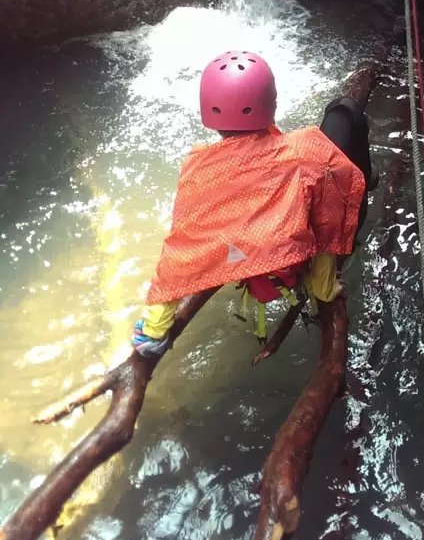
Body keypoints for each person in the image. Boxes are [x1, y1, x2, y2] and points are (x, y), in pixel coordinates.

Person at [131, 50, 376, 356]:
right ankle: (361, 149)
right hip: (291, 260)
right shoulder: (305, 151)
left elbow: (180, 250)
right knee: (342, 116)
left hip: (249, 264)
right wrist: (325, 286)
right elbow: (330, 216)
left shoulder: (198, 168)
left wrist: (154, 328)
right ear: (270, 103)